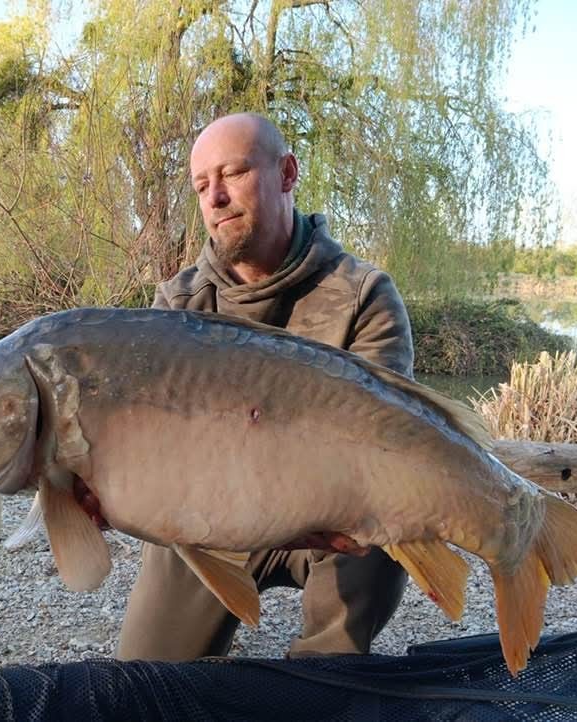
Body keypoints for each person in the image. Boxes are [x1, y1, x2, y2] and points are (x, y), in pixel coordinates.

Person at [115, 112, 415, 661]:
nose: (215, 198)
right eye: (201, 185)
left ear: (287, 174)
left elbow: (385, 450)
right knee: (145, 684)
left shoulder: (364, 295)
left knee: (387, 525)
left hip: (330, 522)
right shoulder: (175, 307)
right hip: (206, 522)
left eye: (232, 173)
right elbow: (155, 454)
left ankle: (321, 679)